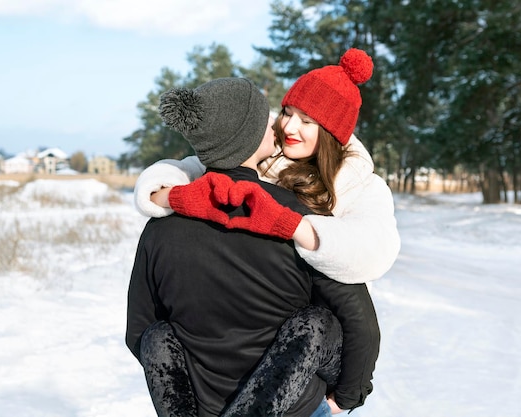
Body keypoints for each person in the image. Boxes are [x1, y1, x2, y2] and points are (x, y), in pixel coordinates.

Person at [126, 77, 380, 416]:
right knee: (321, 323)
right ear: (249, 137)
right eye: (268, 120)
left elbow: (141, 333)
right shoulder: (296, 221)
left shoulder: (159, 227)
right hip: (294, 406)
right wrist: (347, 398)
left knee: (158, 334)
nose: (278, 125)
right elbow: (359, 320)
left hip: (200, 406)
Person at [133, 48, 400, 286]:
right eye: (287, 112)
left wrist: (293, 226)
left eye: (306, 121)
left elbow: (375, 251)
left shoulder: (362, 184)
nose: (289, 127)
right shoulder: (263, 151)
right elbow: (186, 168)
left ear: (331, 134)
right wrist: (170, 195)